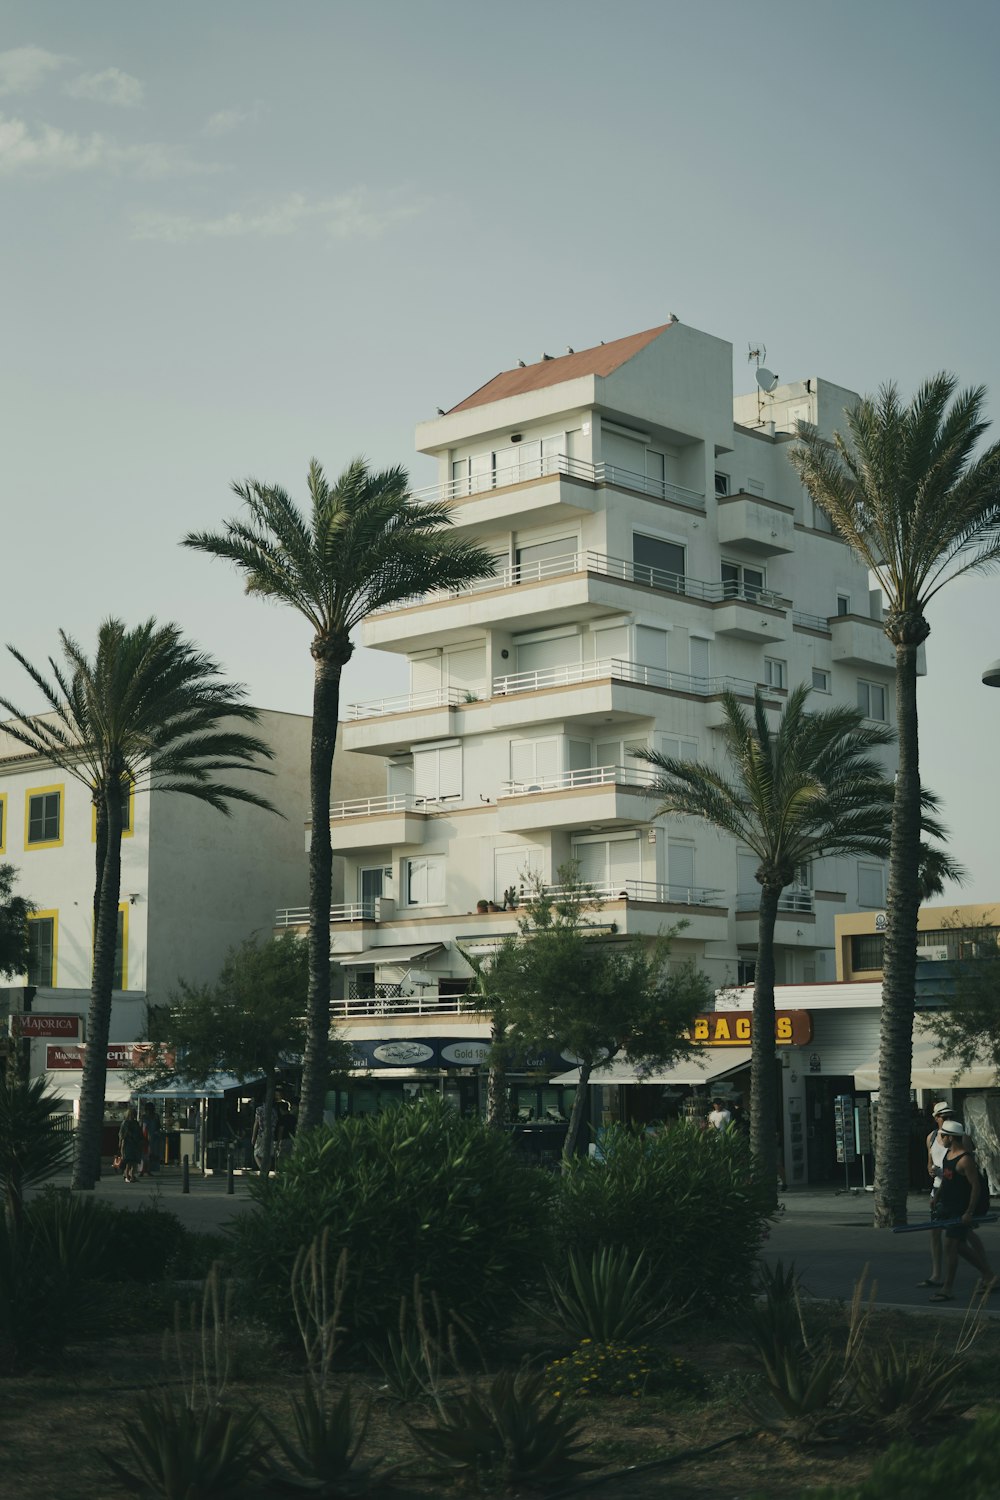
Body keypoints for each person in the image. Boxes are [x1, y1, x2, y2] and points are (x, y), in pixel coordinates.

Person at [929, 1119, 998, 1302]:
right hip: (950, 1208)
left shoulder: (965, 1159)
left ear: (950, 1137)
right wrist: (937, 1197)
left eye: (943, 1135)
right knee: (958, 1246)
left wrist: (969, 1212)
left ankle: (947, 1289)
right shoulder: (947, 1155)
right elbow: (946, 1178)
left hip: (961, 1210)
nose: (940, 1138)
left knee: (951, 1245)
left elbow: (976, 1187)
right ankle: (989, 1276)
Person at [917, 1101, 967, 1289]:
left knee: (962, 1238)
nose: (946, 1120)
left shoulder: (958, 1138)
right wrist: (931, 1170)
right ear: (936, 1118)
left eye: (949, 1117)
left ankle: (987, 1272)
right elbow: (930, 1162)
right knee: (936, 1233)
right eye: (943, 1117)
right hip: (938, 1188)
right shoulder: (931, 1138)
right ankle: (937, 1274)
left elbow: (964, 1166)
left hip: (954, 1191)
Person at [118, 1106, 144, 1184]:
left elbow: (139, 1133)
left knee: (134, 1161)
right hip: (128, 1144)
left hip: (135, 1144)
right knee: (129, 1161)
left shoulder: (135, 1123)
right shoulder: (126, 1123)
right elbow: (122, 1134)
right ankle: (127, 1176)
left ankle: (131, 1175)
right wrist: (121, 1143)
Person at [140, 1103, 163, 1176]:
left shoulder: (155, 1117)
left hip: (153, 1137)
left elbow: (158, 1126)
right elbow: (141, 1126)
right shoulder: (144, 1117)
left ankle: (147, 1169)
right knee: (144, 1154)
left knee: (150, 1154)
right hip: (145, 1137)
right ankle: (143, 1170)